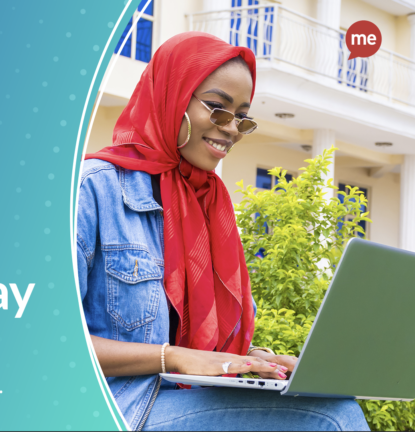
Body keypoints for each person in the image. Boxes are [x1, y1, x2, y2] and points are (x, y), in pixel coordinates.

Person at [75, 32, 369, 431]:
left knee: (329, 400)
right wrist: (172, 357)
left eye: (242, 118)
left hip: (180, 398)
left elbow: (200, 340)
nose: (231, 129)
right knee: (328, 419)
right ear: (173, 96)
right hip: (115, 407)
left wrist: (253, 361)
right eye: (218, 109)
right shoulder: (93, 188)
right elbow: (47, 341)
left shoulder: (209, 203)